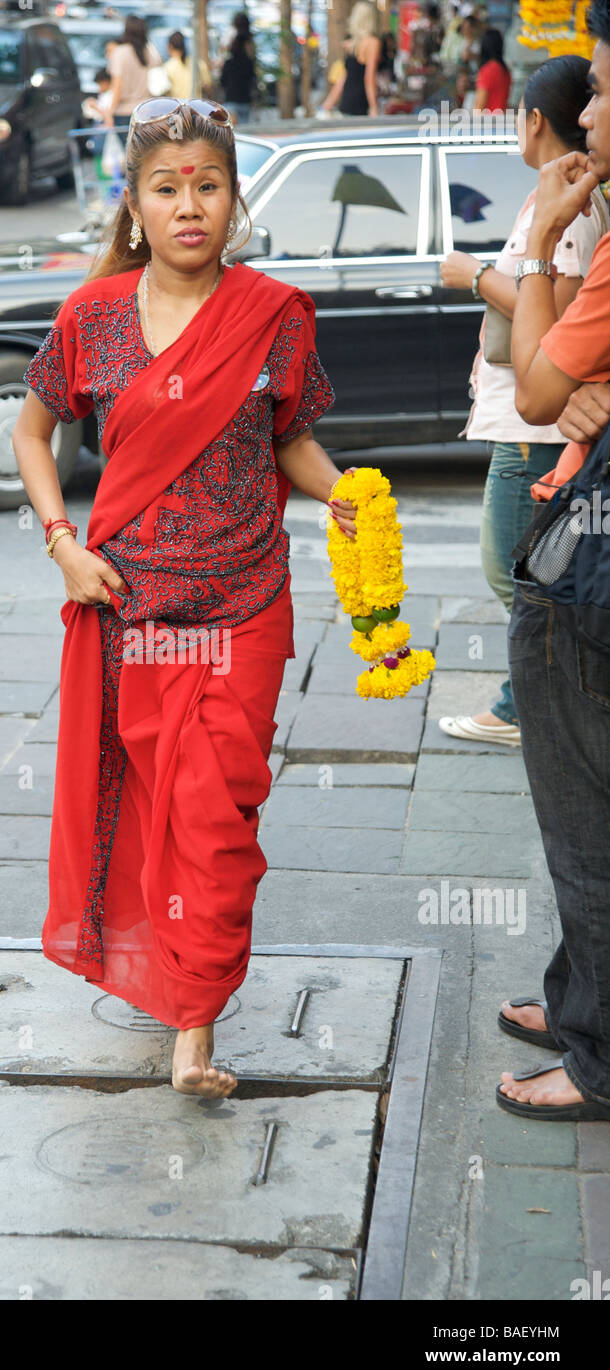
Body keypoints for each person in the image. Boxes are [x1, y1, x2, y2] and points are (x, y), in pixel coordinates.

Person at [12, 97, 356, 1099]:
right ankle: (161, 976)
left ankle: (192, 1032)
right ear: (134, 203)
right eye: (166, 189)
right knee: (148, 808)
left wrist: (346, 495)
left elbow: (290, 440)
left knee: (213, 819)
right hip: (130, 614)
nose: (188, 205)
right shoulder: (92, 318)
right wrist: (62, 544)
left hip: (244, 608)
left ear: (231, 197)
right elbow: (34, 435)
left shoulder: (274, 315)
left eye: (206, 185)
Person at [497, 0, 610, 1122]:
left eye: (606, 91)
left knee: (583, 827)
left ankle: (594, 1058)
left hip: (587, 576)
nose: (588, 111)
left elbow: (533, 385)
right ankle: (572, 995)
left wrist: (537, 241)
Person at [439, 55, 609, 747]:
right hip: (529, 414)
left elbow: (548, 365)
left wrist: (480, 274)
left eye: (601, 95)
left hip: (532, 426)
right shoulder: (560, 198)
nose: (589, 115)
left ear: (531, 118)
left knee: (529, 580)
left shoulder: (567, 208)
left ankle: (530, 701)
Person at [103, 15, 164, 129]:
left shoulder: (120, 53)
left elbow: (118, 85)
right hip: (146, 109)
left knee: (127, 146)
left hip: (123, 112)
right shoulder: (150, 52)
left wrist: (109, 112)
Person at [322, 1, 382, 118]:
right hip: (361, 104)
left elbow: (343, 78)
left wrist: (327, 104)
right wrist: (374, 107)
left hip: (346, 104)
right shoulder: (372, 43)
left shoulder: (353, 44)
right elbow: (369, 77)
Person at [219, 12, 257, 126]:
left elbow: (223, 80)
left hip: (231, 98)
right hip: (245, 99)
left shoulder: (230, 60)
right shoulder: (250, 55)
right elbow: (253, 77)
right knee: (245, 131)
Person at [163, 30, 211, 100]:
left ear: (169, 46)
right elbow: (208, 87)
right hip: (195, 108)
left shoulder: (167, 67)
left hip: (178, 109)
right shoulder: (198, 63)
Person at [473, 27, 511, 113]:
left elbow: (480, 104)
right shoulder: (505, 70)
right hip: (502, 119)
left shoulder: (488, 70)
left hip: (488, 122)